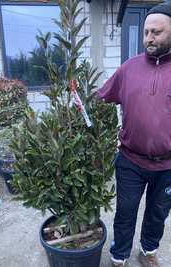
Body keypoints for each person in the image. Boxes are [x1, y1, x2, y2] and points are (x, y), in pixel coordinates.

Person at [97, 2, 171, 267]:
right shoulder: (129, 68)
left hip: (168, 165)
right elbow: (101, 99)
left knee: (157, 213)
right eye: (146, 32)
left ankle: (148, 251)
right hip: (130, 161)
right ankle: (119, 257)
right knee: (125, 213)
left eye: (157, 32)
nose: (149, 38)